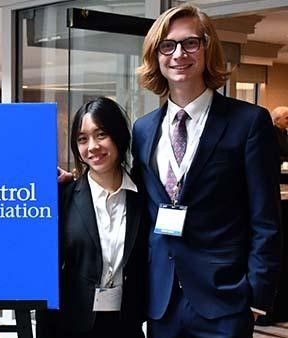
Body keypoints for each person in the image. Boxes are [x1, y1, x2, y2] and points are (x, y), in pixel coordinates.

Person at [133, 4, 281, 337]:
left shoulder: (248, 122)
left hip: (225, 301)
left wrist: (257, 298)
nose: (178, 54)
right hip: (162, 303)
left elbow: (266, 220)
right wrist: (75, 184)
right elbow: (137, 204)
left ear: (207, 47)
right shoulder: (142, 130)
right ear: (156, 56)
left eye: (190, 43)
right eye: (167, 46)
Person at [37, 97, 147, 338]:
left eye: (101, 135)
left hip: (126, 326)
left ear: (119, 136)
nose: (92, 147)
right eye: (82, 139)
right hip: (70, 326)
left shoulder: (143, 198)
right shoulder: (63, 198)